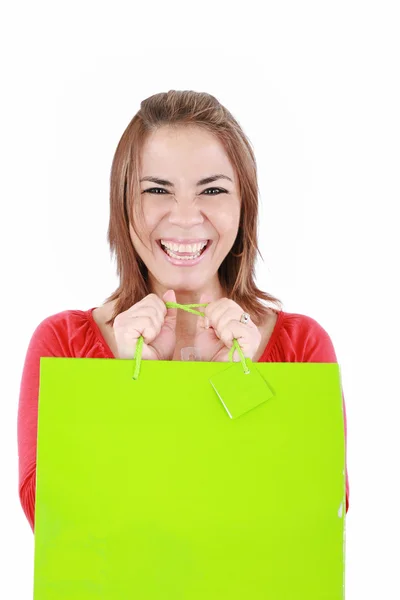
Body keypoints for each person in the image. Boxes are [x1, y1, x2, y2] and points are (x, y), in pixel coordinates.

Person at [17, 89, 349, 533]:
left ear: (243, 204)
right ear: (123, 204)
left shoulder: (302, 346)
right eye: (157, 190)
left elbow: (323, 515)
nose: (186, 217)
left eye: (212, 189)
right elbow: (50, 517)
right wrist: (129, 386)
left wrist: (242, 386)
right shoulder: (63, 344)